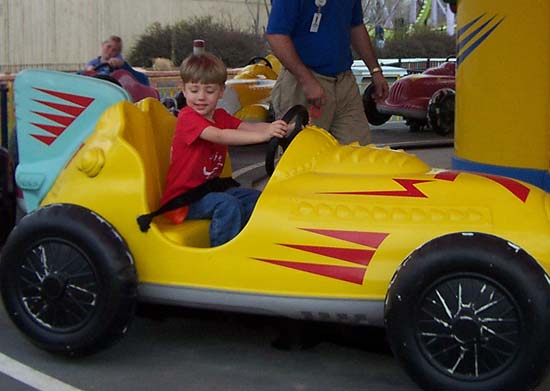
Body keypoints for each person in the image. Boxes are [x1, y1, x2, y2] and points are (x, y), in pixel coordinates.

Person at [159, 51, 288, 247]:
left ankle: (249, 245)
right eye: (194, 91)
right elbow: (220, 135)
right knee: (227, 205)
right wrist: (264, 135)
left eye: (209, 91)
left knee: (256, 198)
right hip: (184, 201)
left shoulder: (220, 116)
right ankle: (221, 253)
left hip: (208, 192)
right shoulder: (188, 118)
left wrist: (284, 128)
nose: (201, 98)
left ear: (221, 92)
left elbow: (248, 126)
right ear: (183, 90)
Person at [266, 0, 389, 146]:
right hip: (303, 82)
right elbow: (276, 35)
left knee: (359, 152)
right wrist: (307, 80)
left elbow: (356, 26)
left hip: (344, 81)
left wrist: (375, 70)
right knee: (304, 154)